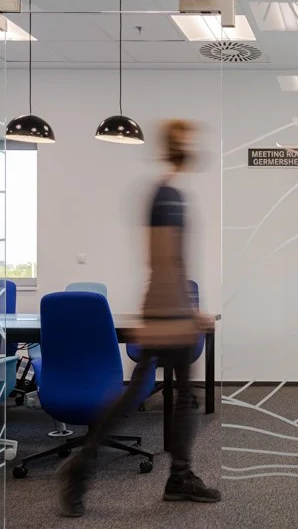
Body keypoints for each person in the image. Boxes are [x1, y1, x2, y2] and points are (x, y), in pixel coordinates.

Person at [58, 120, 221, 517]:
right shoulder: (166, 196)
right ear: (176, 145)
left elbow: (171, 260)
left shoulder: (169, 192)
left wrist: (189, 307)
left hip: (170, 306)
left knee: (170, 395)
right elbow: (161, 258)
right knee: (157, 395)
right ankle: (84, 468)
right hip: (167, 310)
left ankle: (173, 476)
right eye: (188, 140)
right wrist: (175, 313)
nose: (194, 146)